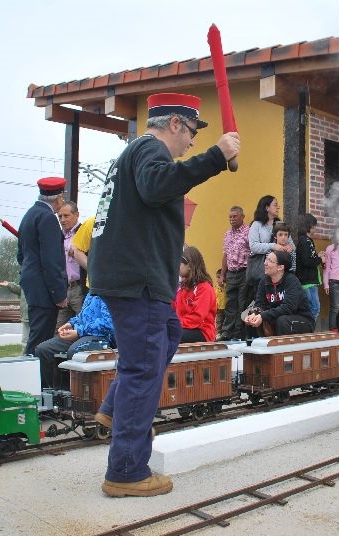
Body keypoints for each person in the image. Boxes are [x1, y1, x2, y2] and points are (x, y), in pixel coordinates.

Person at [87, 92, 239, 498]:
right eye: (191, 132)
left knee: (168, 335)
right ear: (175, 123)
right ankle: (127, 471)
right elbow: (157, 186)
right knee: (143, 371)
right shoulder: (151, 151)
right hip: (140, 280)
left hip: (131, 276)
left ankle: (114, 410)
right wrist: (215, 156)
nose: (191, 141)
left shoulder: (134, 153)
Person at [17, 177, 68, 355]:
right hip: (44, 289)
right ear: (58, 197)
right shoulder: (48, 219)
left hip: (33, 284)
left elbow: (21, 255)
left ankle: (30, 372)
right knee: (41, 339)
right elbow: (51, 260)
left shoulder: (30, 215)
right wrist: (59, 294)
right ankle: (33, 376)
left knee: (37, 334)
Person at [34, 293, 116, 389]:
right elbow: (83, 315)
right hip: (81, 333)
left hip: (101, 337)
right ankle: (52, 392)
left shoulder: (109, 293)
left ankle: (73, 393)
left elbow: (108, 324)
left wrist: (79, 332)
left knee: (74, 352)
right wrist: (71, 324)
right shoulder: (91, 293)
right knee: (43, 350)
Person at [244, 250, 314, 336]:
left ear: (280, 267)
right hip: (277, 318)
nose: (265, 263)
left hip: (301, 320)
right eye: (266, 259)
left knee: (282, 320)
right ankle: (253, 347)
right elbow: (260, 304)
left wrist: (263, 316)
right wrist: (255, 314)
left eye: (270, 261)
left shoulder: (292, 280)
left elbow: (288, 307)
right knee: (252, 318)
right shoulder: (264, 282)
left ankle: (284, 349)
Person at [218, 205, 250, 340]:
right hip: (231, 273)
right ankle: (226, 332)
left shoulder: (249, 231)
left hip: (244, 271)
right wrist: (222, 275)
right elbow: (225, 256)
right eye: (230, 217)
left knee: (242, 303)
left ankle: (239, 332)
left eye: (235, 216)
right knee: (230, 303)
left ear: (242, 216)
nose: (232, 219)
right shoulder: (227, 234)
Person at [247, 195, 291, 292]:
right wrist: (273, 246)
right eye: (275, 205)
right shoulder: (256, 224)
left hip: (279, 270)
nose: (278, 207)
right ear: (267, 208)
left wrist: (289, 247)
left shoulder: (280, 224)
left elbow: (292, 245)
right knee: (262, 298)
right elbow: (253, 246)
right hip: (262, 270)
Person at [174, 246, 217, 343]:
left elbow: (196, 318)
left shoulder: (205, 288)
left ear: (189, 265)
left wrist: (174, 325)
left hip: (202, 332)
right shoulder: (182, 288)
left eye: (178, 263)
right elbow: (173, 310)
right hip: (184, 327)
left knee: (171, 335)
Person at [56, 201, 85, 328]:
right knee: (59, 328)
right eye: (60, 217)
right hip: (64, 289)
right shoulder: (60, 236)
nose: (62, 220)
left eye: (66, 216)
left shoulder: (84, 232)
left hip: (80, 288)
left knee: (83, 325)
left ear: (76, 215)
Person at [295, 213, 325, 324]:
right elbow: (307, 261)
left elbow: (308, 257)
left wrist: (317, 256)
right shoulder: (305, 241)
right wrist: (320, 260)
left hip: (309, 281)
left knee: (312, 308)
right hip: (307, 281)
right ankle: (307, 331)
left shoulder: (307, 240)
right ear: (308, 226)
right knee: (314, 308)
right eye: (314, 226)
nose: (315, 228)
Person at [0, 280, 29, 350]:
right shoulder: (27, 278)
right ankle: (26, 358)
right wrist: (9, 285)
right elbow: (20, 290)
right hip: (26, 316)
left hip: (37, 315)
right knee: (25, 341)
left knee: (36, 341)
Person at [214, 269, 226, 338]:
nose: (218, 280)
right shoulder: (215, 288)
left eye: (219, 277)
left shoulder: (226, 288)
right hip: (218, 308)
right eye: (217, 277)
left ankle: (223, 333)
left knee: (225, 320)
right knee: (218, 321)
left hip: (225, 307)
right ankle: (217, 334)